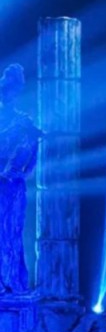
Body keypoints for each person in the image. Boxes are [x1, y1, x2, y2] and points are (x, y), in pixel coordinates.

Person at [0, 63, 41, 293]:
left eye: (12, 90)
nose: (7, 95)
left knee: (10, 232)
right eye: (5, 90)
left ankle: (10, 280)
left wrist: (22, 173)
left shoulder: (24, 122)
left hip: (12, 187)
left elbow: (34, 153)